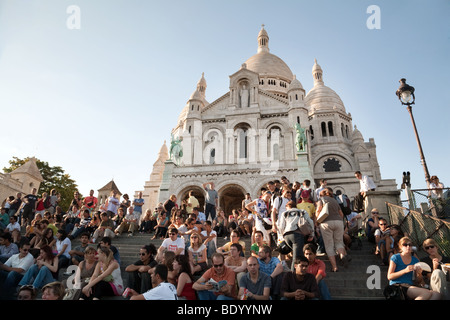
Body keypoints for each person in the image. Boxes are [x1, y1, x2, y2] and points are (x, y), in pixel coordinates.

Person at [315, 187, 350, 272]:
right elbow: (341, 213)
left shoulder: (321, 200)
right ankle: (342, 255)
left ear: (321, 195)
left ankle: (334, 267)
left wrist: (317, 220)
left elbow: (318, 211)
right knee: (339, 242)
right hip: (338, 222)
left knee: (329, 245)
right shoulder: (334, 200)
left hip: (326, 223)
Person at [278, 200, 314, 270]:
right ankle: (294, 275)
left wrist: (283, 236)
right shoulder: (302, 211)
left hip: (287, 235)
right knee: (296, 257)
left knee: (295, 254)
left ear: (287, 206)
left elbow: (281, 226)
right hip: (297, 235)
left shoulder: (284, 213)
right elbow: (311, 222)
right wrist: (312, 234)